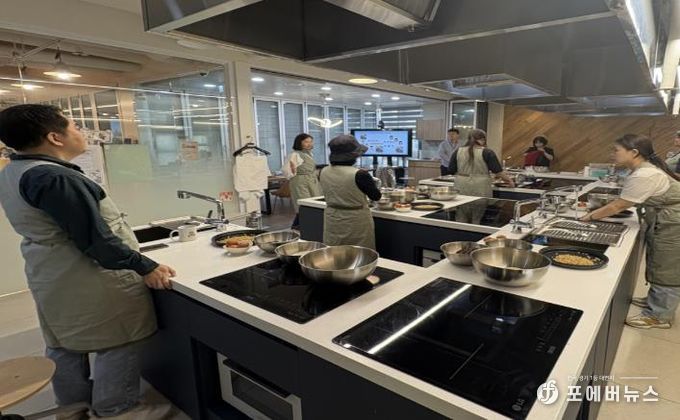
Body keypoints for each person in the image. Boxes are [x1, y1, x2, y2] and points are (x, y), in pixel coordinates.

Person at [0, 104, 176, 419]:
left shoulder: (14, 171)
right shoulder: (55, 177)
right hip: (88, 275)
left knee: (64, 341)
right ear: (55, 137)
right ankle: (116, 410)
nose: (80, 132)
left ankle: (72, 409)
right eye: (74, 126)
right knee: (118, 339)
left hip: (50, 271)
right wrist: (145, 266)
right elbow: (96, 240)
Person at [581, 134, 680, 329]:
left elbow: (618, 206)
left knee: (667, 266)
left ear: (634, 153)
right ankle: (656, 302)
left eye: (616, 150)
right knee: (659, 260)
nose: (613, 154)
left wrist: (589, 217)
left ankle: (660, 316)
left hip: (673, 223)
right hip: (668, 219)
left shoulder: (645, 174)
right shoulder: (643, 170)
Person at [319, 135, 381, 249]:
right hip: (356, 219)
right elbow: (376, 196)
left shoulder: (323, 171)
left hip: (333, 217)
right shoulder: (360, 174)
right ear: (354, 156)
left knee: (334, 251)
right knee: (358, 253)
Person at [448, 129, 515, 197]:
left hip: (461, 184)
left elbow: (451, 169)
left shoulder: (458, 151)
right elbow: (497, 171)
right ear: (482, 139)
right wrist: (509, 181)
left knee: (461, 202)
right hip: (480, 186)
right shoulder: (487, 152)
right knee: (480, 203)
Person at [283, 133, 322, 230]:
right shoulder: (295, 154)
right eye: (306, 142)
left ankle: (303, 228)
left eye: (311, 141)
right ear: (299, 143)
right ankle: (298, 229)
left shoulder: (308, 154)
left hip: (311, 181)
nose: (309, 144)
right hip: (300, 183)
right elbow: (286, 171)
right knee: (304, 206)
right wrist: (294, 173)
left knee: (313, 205)